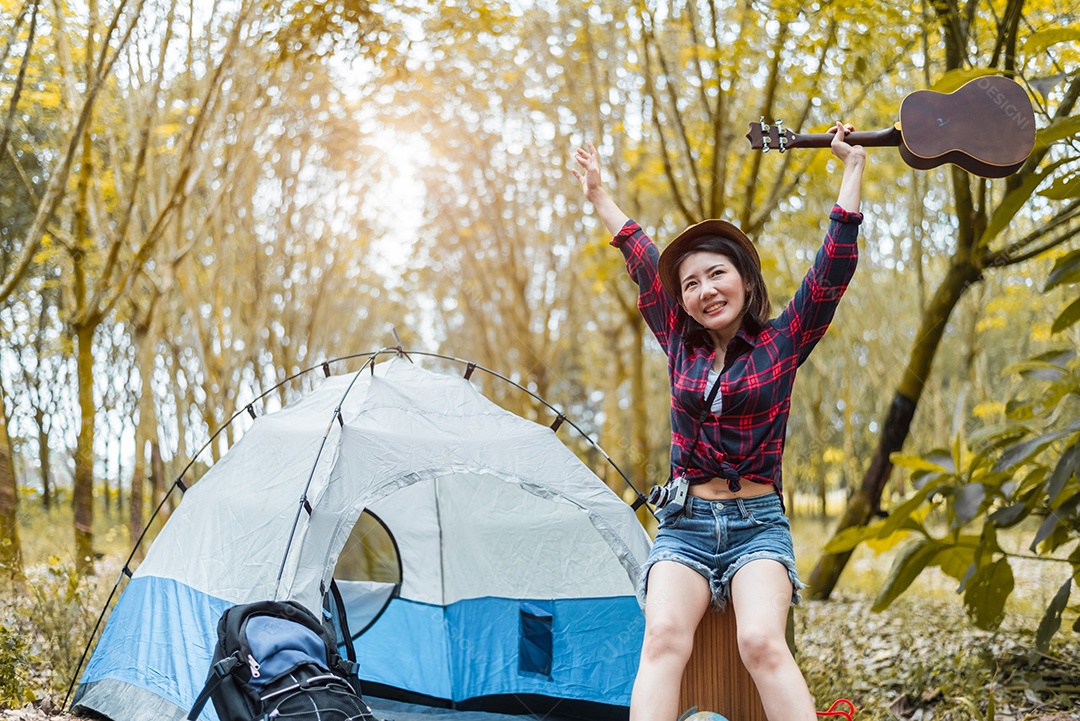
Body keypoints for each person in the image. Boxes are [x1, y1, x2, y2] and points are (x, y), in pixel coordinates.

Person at [571, 123, 866, 721]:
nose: (705, 290)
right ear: (678, 299)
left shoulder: (783, 340)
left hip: (758, 525)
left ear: (745, 279)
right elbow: (641, 256)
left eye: (717, 274)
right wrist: (599, 195)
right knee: (661, 642)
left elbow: (830, 274)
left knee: (760, 642)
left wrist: (852, 170)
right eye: (691, 283)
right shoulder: (679, 342)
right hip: (685, 524)